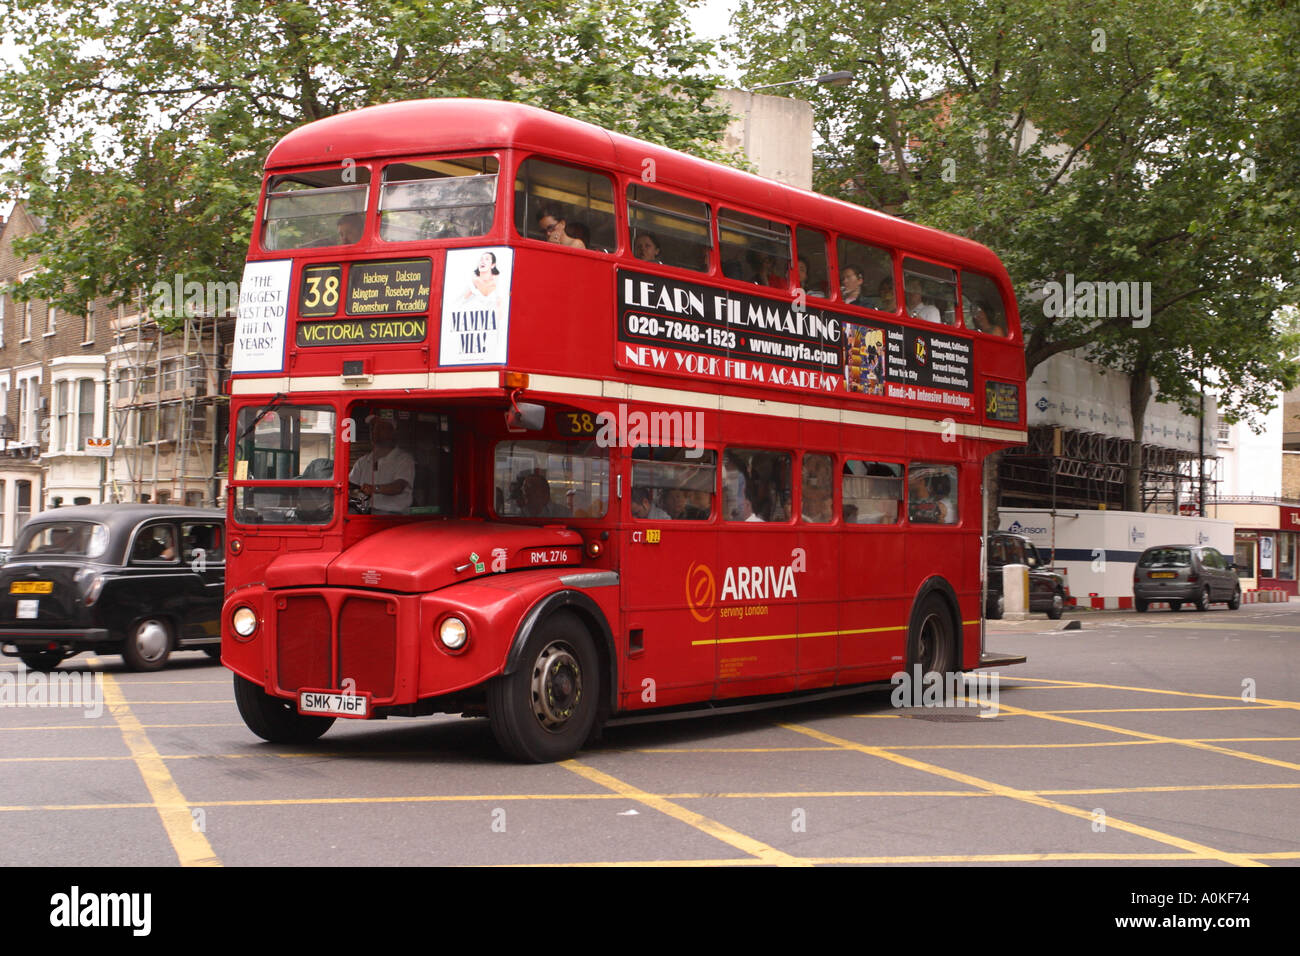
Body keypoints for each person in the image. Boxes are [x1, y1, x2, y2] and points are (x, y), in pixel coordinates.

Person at [348, 417, 415, 514]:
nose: (375, 431)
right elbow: (350, 485)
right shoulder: (363, 461)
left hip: (394, 517)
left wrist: (374, 488)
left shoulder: (404, 459)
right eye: (373, 427)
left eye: (381, 427)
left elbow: (399, 486)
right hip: (366, 514)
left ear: (392, 432)